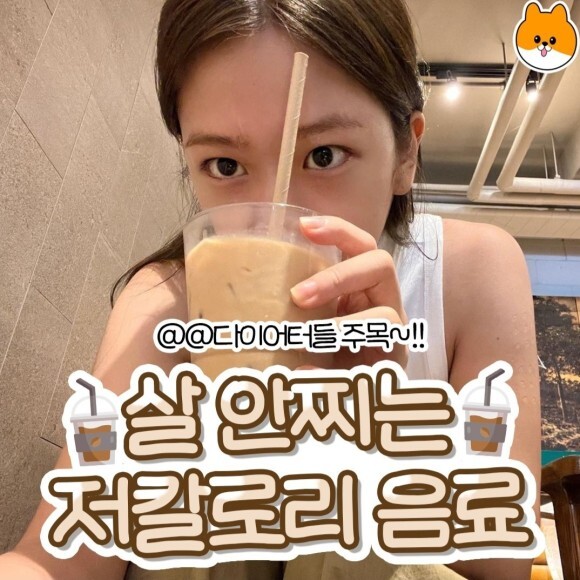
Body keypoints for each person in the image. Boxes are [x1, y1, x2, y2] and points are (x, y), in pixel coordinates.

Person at [0, 0, 541, 579]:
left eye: (324, 156)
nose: (270, 217)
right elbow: (60, 557)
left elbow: (499, 563)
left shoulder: (469, 271)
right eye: (224, 165)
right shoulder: (167, 299)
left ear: (406, 152)